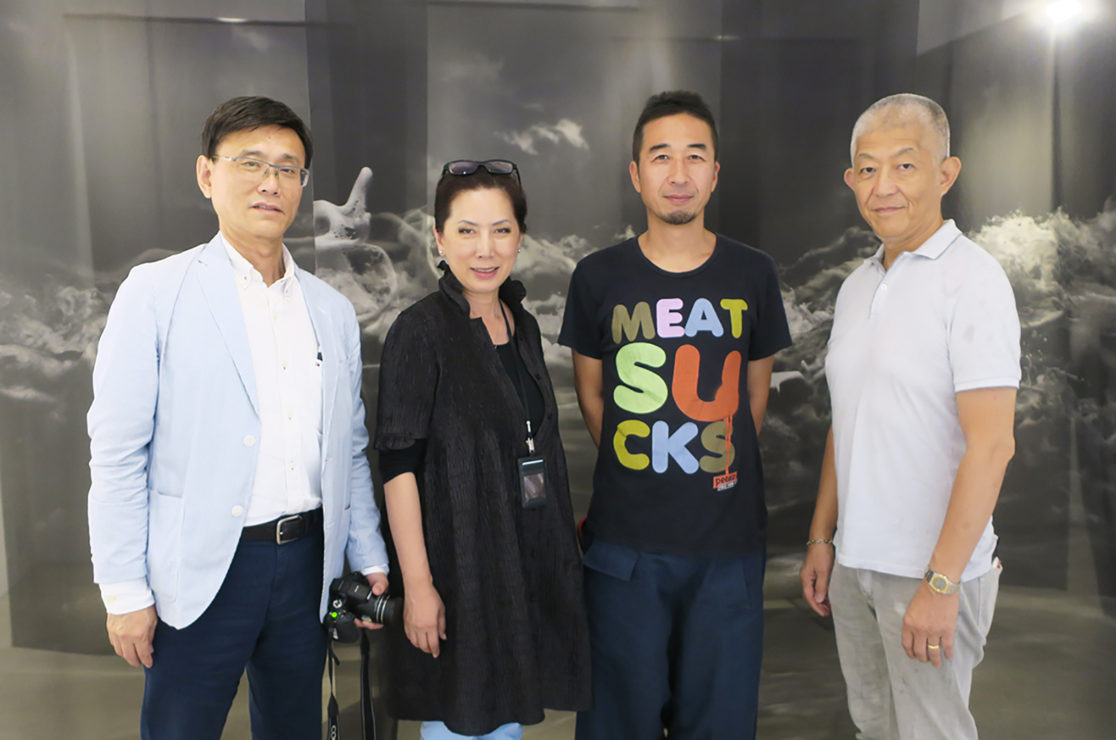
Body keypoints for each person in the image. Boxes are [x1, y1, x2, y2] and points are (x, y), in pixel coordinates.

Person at [87, 95, 389, 740]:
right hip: (200, 571)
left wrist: (366, 554)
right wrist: (124, 591)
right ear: (207, 174)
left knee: (293, 728)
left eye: (287, 168)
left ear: (302, 184)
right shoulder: (155, 293)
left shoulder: (331, 310)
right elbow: (117, 454)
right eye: (250, 163)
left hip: (307, 564)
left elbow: (349, 449)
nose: (270, 182)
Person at [559, 90, 792, 739]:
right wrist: (648, 465)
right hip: (623, 549)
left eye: (695, 156)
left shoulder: (753, 274)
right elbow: (593, 396)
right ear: (637, 174)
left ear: (715, 173)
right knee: (617, 722)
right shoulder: (597, 277)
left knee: (719, 724)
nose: (679, 173)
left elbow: (752, 400)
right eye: (662, 157)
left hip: (727, 548)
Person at [799, 93, 1020, 739]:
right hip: (854, 564)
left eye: (905, 165)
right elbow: (850, 419)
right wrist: (821, 538)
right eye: (868, 169)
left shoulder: (974, 280)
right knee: (873, 727)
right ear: (851, 180)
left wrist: (941, 583)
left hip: (930, 571)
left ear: (946, 174)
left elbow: (992, 446)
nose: (884, 186)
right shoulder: (856, 286)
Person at [374, 159, 590, 740]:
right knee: (465, 718)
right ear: (439, 238)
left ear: (520, 237)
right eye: (467, 231)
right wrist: (419, 587)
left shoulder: (523, 325)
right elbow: (398, 466)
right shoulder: (419, 331)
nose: (485, 248)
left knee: (505, 721)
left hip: (523, 563)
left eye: (501, 230)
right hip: (459, 571)